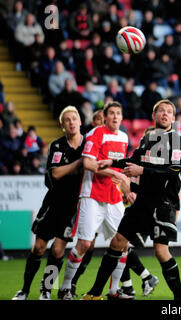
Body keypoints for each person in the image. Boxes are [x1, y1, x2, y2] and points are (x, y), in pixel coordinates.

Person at [81, 99, 181, 300]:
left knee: (160, 251)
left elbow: (174, 171)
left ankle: (180, 301)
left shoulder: (177, 141)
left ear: (173, 118)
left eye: (169, 112)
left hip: (163, 203)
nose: (165, 114)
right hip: (143, 201)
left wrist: (143, 171)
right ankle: (95, 293)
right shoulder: (147, 140)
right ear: (154, 116)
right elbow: (133, 161)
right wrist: (112, 162)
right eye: (161, 111)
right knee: (117, 241)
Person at [58, 101, 129, 300]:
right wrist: (118, 175)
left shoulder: (123, 137)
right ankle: (65, 288)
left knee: (123, 243)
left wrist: (125, 181)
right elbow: (88, 163)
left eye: (118, 113)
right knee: (84, 244)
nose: (115, 117)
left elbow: (119, 168)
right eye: (111, 114)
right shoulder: (96, 134)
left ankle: (114, 290)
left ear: (122, 118)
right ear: (105, 117)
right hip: (92, 194)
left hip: (113, 196)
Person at [12, 106, 85, 300]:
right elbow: (56, 173)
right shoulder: (57, 145)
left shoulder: (89, 145)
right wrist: (79, 164)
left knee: (58, 250)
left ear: (80, 122)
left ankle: (46, 289)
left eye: (74, 118)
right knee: (39, 248)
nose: (71, 122)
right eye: (67, 120)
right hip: (53, 203)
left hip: (73, 206)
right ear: (62, 125)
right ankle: (25, 290)